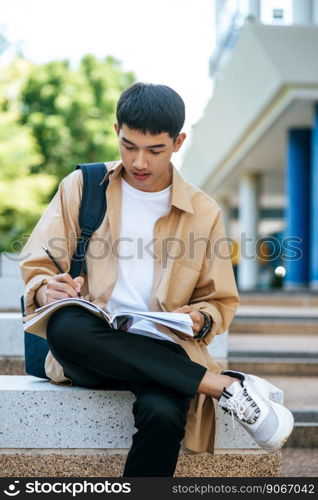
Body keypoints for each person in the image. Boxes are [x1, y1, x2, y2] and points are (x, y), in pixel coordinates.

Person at [20, 82, 294, 477]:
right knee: (65, 326)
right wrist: (47, 288)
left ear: (178, 142)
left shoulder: (203, 212)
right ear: (117, 131)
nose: (140, 162)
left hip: (163, 347)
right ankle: (223, 386)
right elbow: (39, 262)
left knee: (164, 414)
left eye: (155, 150)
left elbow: (217, 301)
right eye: (129, 146)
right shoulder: (82, 187)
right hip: (92, 345)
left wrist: (199, 318)